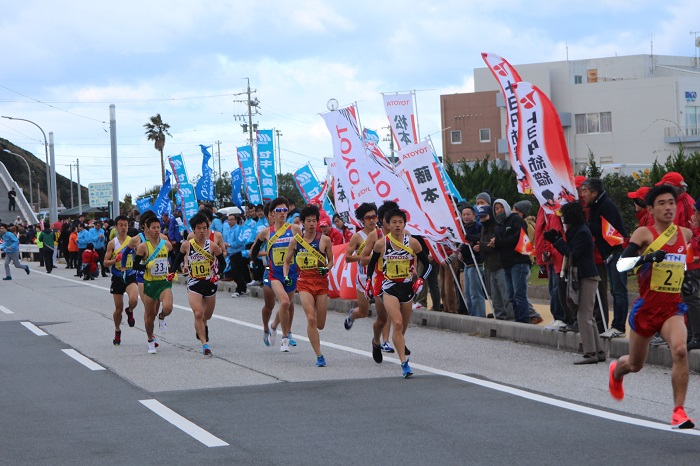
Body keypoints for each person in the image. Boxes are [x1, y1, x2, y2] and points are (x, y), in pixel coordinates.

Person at [610, 185, 695, 429]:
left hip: (672, 309)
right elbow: (621, 266)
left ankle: (679, 412)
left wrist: (686, 279)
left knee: (680, 350)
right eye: (662, 203)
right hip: (647, 309)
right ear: (651, 209)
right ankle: (617, 371)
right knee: (635, 365)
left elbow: (680, 265)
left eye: (672, 202)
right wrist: (645, 258)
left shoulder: (685, 234)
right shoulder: (643, 234)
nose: (668, 207)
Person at [365, 208, 433, 378]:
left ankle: (390, 343)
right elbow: (372, 264)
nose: (397, 225)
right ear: (387, 224)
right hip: (389, 287)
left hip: (407, 288)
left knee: (401, 329)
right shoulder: (381, 244)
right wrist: (368, 281)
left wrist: (421, 279)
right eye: (393, 222)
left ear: (404, 224)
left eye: (400, 222)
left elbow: (428, 264)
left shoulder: (413, 243)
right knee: (396, 323)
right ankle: (404, 364)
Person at [545, 202, 605, 364]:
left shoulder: (581, 232)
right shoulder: (578, 230)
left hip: (586, 275)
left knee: (583, 315)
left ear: (571, 216)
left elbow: (572, 254)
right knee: (588, 316)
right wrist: (558, 239)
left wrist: (557, 241)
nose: (562, 218)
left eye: (564, 215)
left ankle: (590, 352)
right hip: (585, 275)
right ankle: (598, 351)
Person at [283, 204, 334, 366]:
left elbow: (331, 260)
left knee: (320, 324)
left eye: (314, 221)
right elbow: (286, 261)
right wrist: (286, 276)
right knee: (311, 319)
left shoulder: (324, 240)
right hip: (304, 282)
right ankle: (319, 355)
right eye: (308, 221)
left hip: (320, 283)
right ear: (302, 223)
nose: (312, 224)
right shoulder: (295, 241)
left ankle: (318, 343)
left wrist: (326, 268)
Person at [249, 197, 302, 352]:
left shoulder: (295, 229)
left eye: (285, 210)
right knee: (272, 304)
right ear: (272, 214)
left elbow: (302, 248)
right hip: (272, 273)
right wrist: (255, 262)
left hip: (290, 273)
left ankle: (275, 327)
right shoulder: (266, 232)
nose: (282, 213)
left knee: (287, 304)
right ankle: (275, 332)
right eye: (278, 210)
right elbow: (254, 251)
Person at [580, 178, 628, 338]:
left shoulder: (605, 205)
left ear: (594, 192)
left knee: (618, 290)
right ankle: (616, 326)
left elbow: (606, 230)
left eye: (585, 190)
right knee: (615, 290)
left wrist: (586, 225)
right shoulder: (594, 206)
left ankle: (619, 326)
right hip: (608, 254)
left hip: (617, 252)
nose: (583, 194)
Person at [173, 212, 225, 356]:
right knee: (198, 313)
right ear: (193, 230)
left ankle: (204, 324)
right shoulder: (187, 245)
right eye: (199, 228)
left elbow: (223, 263)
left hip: (210, 283)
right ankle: (205, 344)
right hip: (194, 283)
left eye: (204, 228)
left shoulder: (213, 246)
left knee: (207, 315)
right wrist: (173, 271)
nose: (202, 231)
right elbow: (177, 259)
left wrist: (218, 274)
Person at [132, 215, 174, 354]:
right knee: (150, 315)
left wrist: (173, 271)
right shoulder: (143, 247)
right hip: (150, 283)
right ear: (148, 230)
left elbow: (173, 258)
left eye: (158, 227)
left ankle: (162, 317)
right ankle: (150, 340)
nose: (157, 230)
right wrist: (146, 266)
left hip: (163, 283)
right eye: (153, 228)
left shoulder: (166, 244)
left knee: (168, 307)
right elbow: (135, 265)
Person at [490, 199, 533, 324]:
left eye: (500, 207)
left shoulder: (515, 219)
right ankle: (517, 320)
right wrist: (494, 243)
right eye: (496, 209)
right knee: (511, 296)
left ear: (506, 207)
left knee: (519, 294)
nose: (499, 211)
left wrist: (499, 242)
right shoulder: (499, 223)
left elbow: (518, 238)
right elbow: (499, 240)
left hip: (519, 261)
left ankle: (524, 321)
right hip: (506, 263)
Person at [104, 215, 139, 346]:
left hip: (130, 275)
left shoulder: (133, 241)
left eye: (126, 225)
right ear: (116, 227)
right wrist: (115, 260)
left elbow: (140, 255)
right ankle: (117, 330)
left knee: (134, 299)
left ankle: (130, 311)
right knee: (118, 309)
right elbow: (105, 262)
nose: (124, 228)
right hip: (118, 277)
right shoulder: (112, 243)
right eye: (121, 225)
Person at [344, 202, 379, 329]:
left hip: (380, 275)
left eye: (374, 217)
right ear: (361, 220)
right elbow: (347, 258)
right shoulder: (357, 237)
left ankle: (385, 340)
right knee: (363, 312)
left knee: (385, 311)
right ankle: (352, 315)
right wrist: (366, 258)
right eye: (368, 218)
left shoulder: (381, 234)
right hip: (363, 278)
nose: (372, 220)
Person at [478, 205, 513, 320]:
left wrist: (481, 246)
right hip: (489, 265)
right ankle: (499, 317)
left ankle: (511, 317)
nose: (482, 219)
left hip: (500, 264)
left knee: (505, 294)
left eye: (484, 216)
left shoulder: (496, 227)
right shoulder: (483, 228)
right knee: (494, 296)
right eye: (480, 217)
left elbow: (493, 245)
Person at [460, 205, 486, 317]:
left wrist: (469, 238)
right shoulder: (462, 228)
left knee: (476, 293)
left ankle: (479, 316)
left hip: (476, 263)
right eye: (463, 214)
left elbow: (480, 237)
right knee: (468, 293)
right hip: (466, 263)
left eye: (468, 214)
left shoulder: (478, 226)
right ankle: (471, 314)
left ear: (474, 215)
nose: (465, 217)